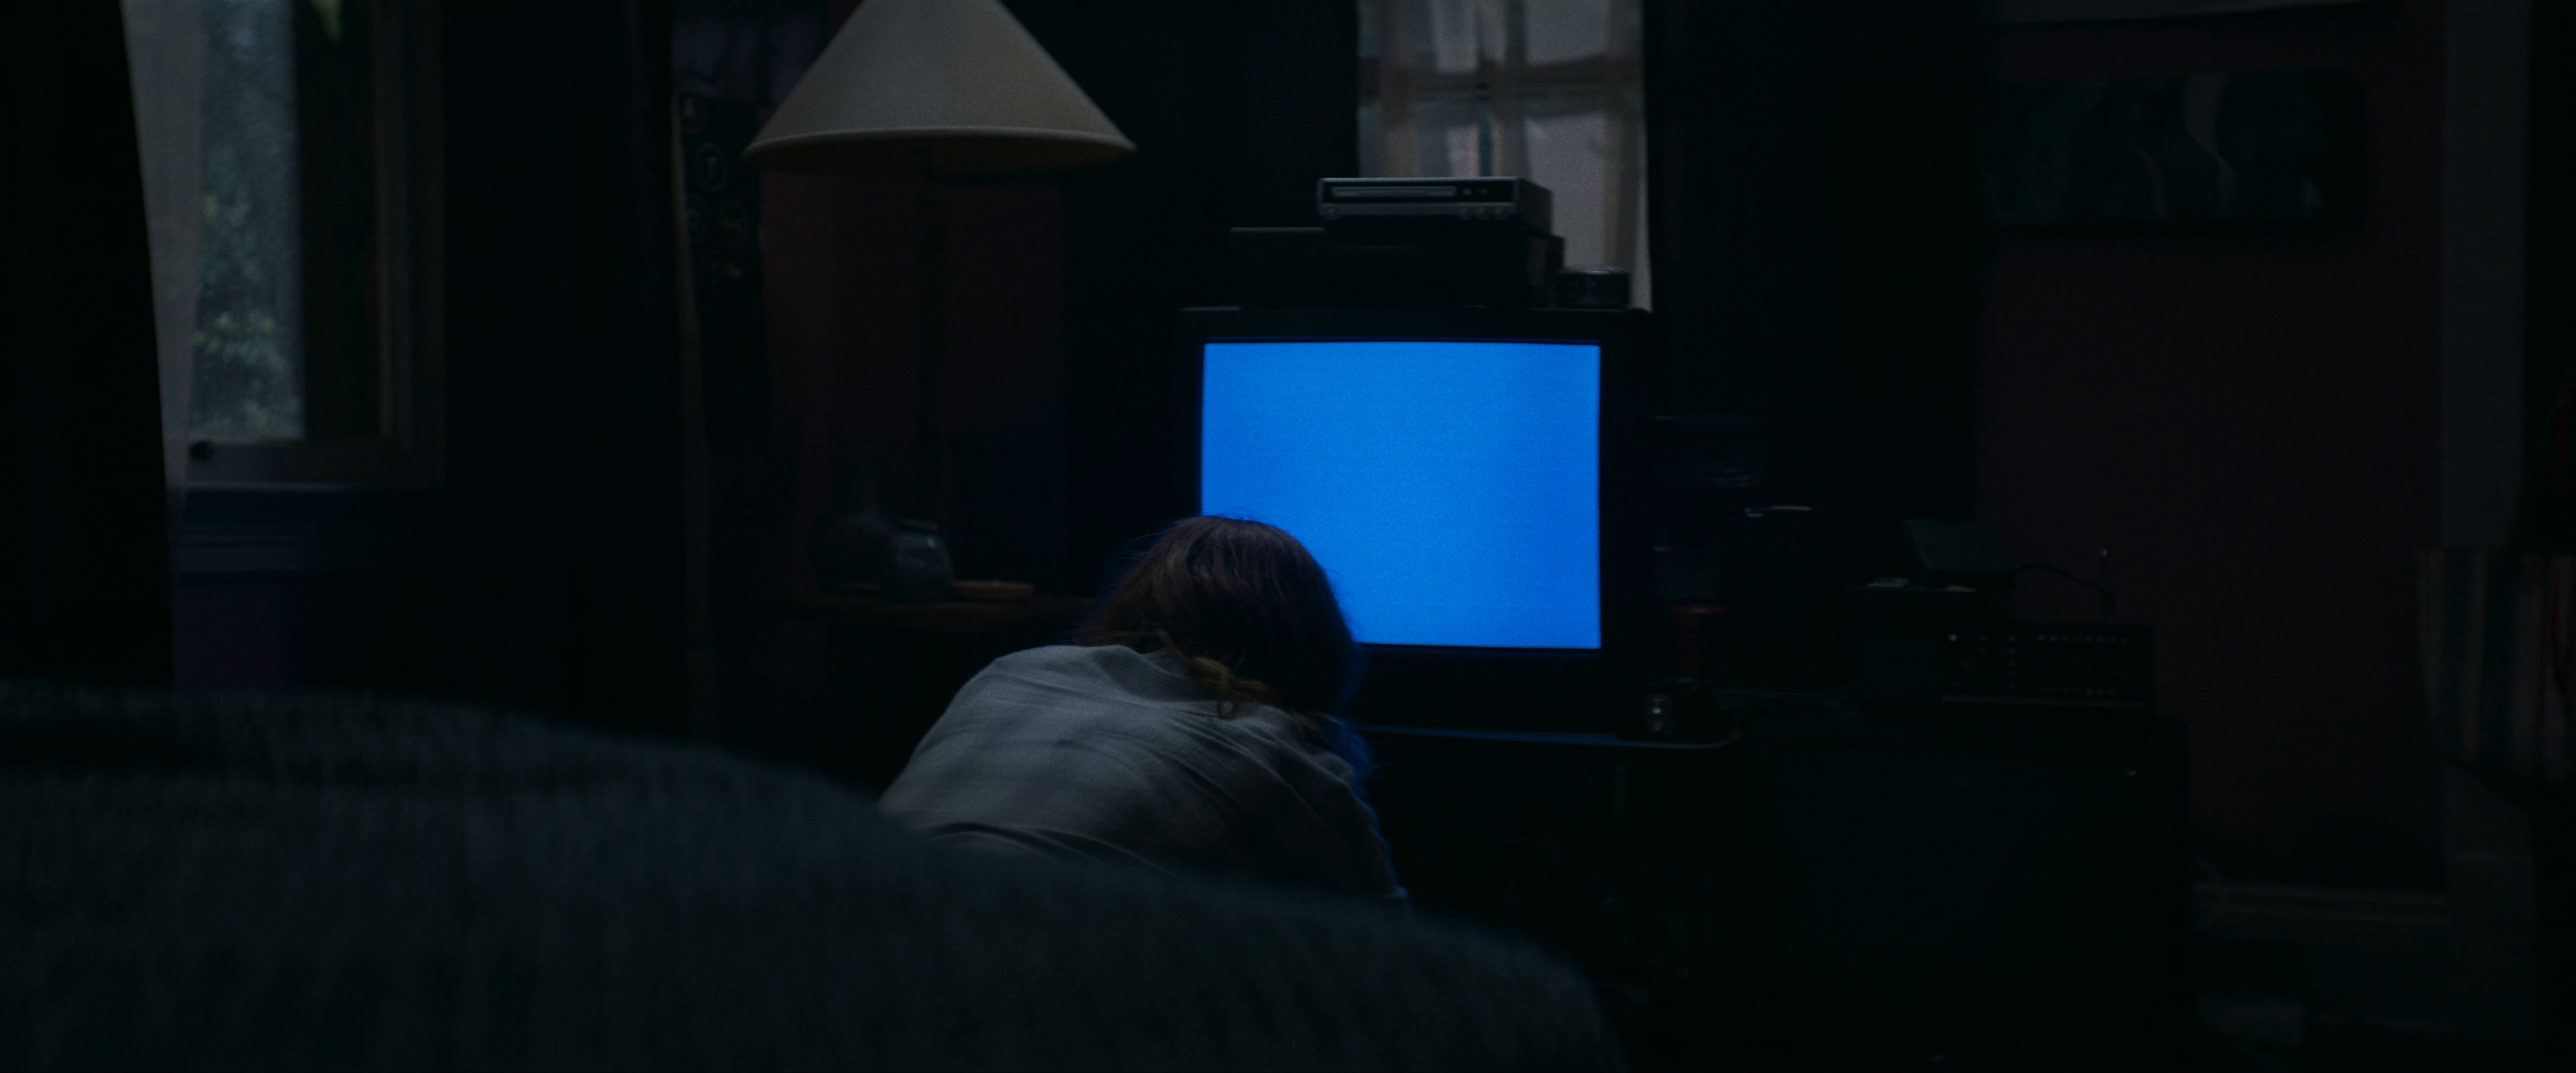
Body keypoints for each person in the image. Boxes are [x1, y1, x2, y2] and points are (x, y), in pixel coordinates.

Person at [876, 516, 1400, 899]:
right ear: (1313, 643)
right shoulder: (1281, 753)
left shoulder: (1013, 671)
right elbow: (1389, 949)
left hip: (848, 917)